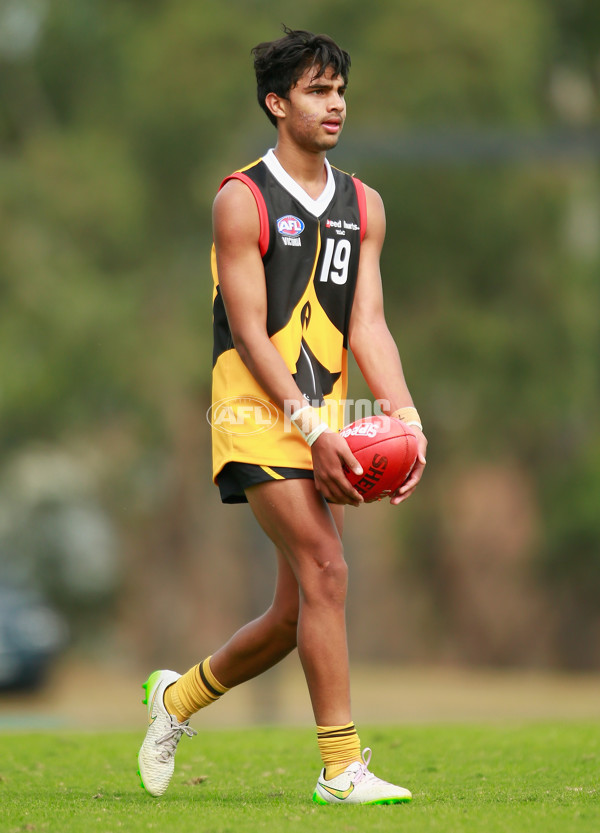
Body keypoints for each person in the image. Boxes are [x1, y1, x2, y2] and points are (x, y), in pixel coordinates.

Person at [137, 26, 427, 805]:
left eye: (339, 90)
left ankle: (177, 700)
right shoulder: (241, 198)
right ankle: (341, 769)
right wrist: (312, 428)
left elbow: (368, 323)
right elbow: (248, 330)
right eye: (315, 91)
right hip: (254, 410)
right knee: (330, 569)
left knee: (295, 607)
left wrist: (405, 416)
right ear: (276, 102)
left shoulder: (364, 204)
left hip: (323, 414)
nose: (334, 105)